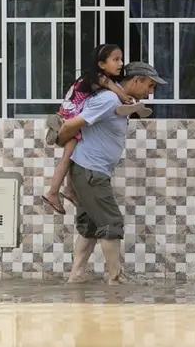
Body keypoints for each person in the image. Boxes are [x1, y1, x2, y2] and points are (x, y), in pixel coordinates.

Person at [54, 61, 165, 284]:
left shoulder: (117, 99)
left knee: (91, 226)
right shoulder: (108, 99)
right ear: (136, 80)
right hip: (90, 170)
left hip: (89, 170)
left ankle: (76, 277)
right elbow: (71, 125)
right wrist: (59, 139)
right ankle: (115, 277)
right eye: (150, 86)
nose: (150, 92)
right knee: (111, 223)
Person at [42, 44, 150, 215]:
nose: (120, 63)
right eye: (115, 59)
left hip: (71, 115)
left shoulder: (101, 80)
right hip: (68, 117)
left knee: (73, 156)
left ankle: (68, 190)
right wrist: (125, 98)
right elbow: (116, 90)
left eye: (121, 59)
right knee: (67, 158)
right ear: (101, 64)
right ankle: (53, 193)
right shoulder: (99, 78)